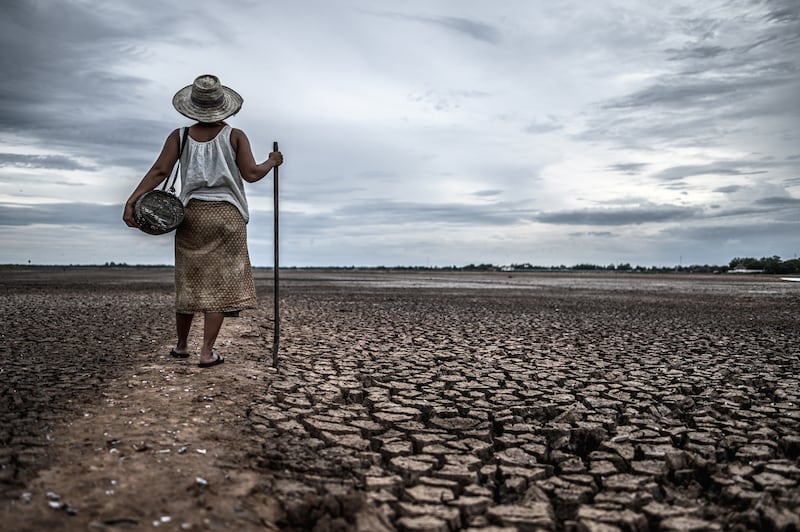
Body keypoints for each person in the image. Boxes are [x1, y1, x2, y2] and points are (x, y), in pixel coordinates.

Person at [123, 74, 283, 368]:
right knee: (220, 286)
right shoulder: (235, 136)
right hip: (228, 216)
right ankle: (207, 353)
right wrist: (271, 162)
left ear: (192, 107)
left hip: (191, 214)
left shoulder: (179, 136)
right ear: (224, 107)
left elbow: (160, 171)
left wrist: (133, 199)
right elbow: (251, 173)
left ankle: (182, 345)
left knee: (188, 280)